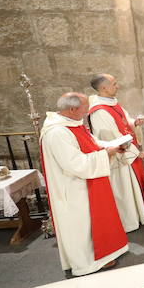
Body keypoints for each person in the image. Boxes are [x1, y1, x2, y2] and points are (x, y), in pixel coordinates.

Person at [40, 92, 128, 276]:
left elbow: (92, 142)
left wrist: (110, 145)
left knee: (94, 221)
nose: (88, 110)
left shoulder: (72, 124)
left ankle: (103, 255)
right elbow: (75, 164)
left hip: (85, 183)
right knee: (82, 225)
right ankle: (87, 263)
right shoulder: (57, 133)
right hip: (73, 188)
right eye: (85, 107)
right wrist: (107, 153)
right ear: (72, 109)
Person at [88, 74, 144, 232]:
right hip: (120, 158)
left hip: (129, 151)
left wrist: (134, 123)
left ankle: (140, 215)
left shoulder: (112, 103)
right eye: (114, 84)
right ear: (104, 88)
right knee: (124, 190)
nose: (118, 86)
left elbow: (124, 120)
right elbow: (112, 138)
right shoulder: (99, 112)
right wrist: (136, 152)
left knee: (133, 187)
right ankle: (129, 221)